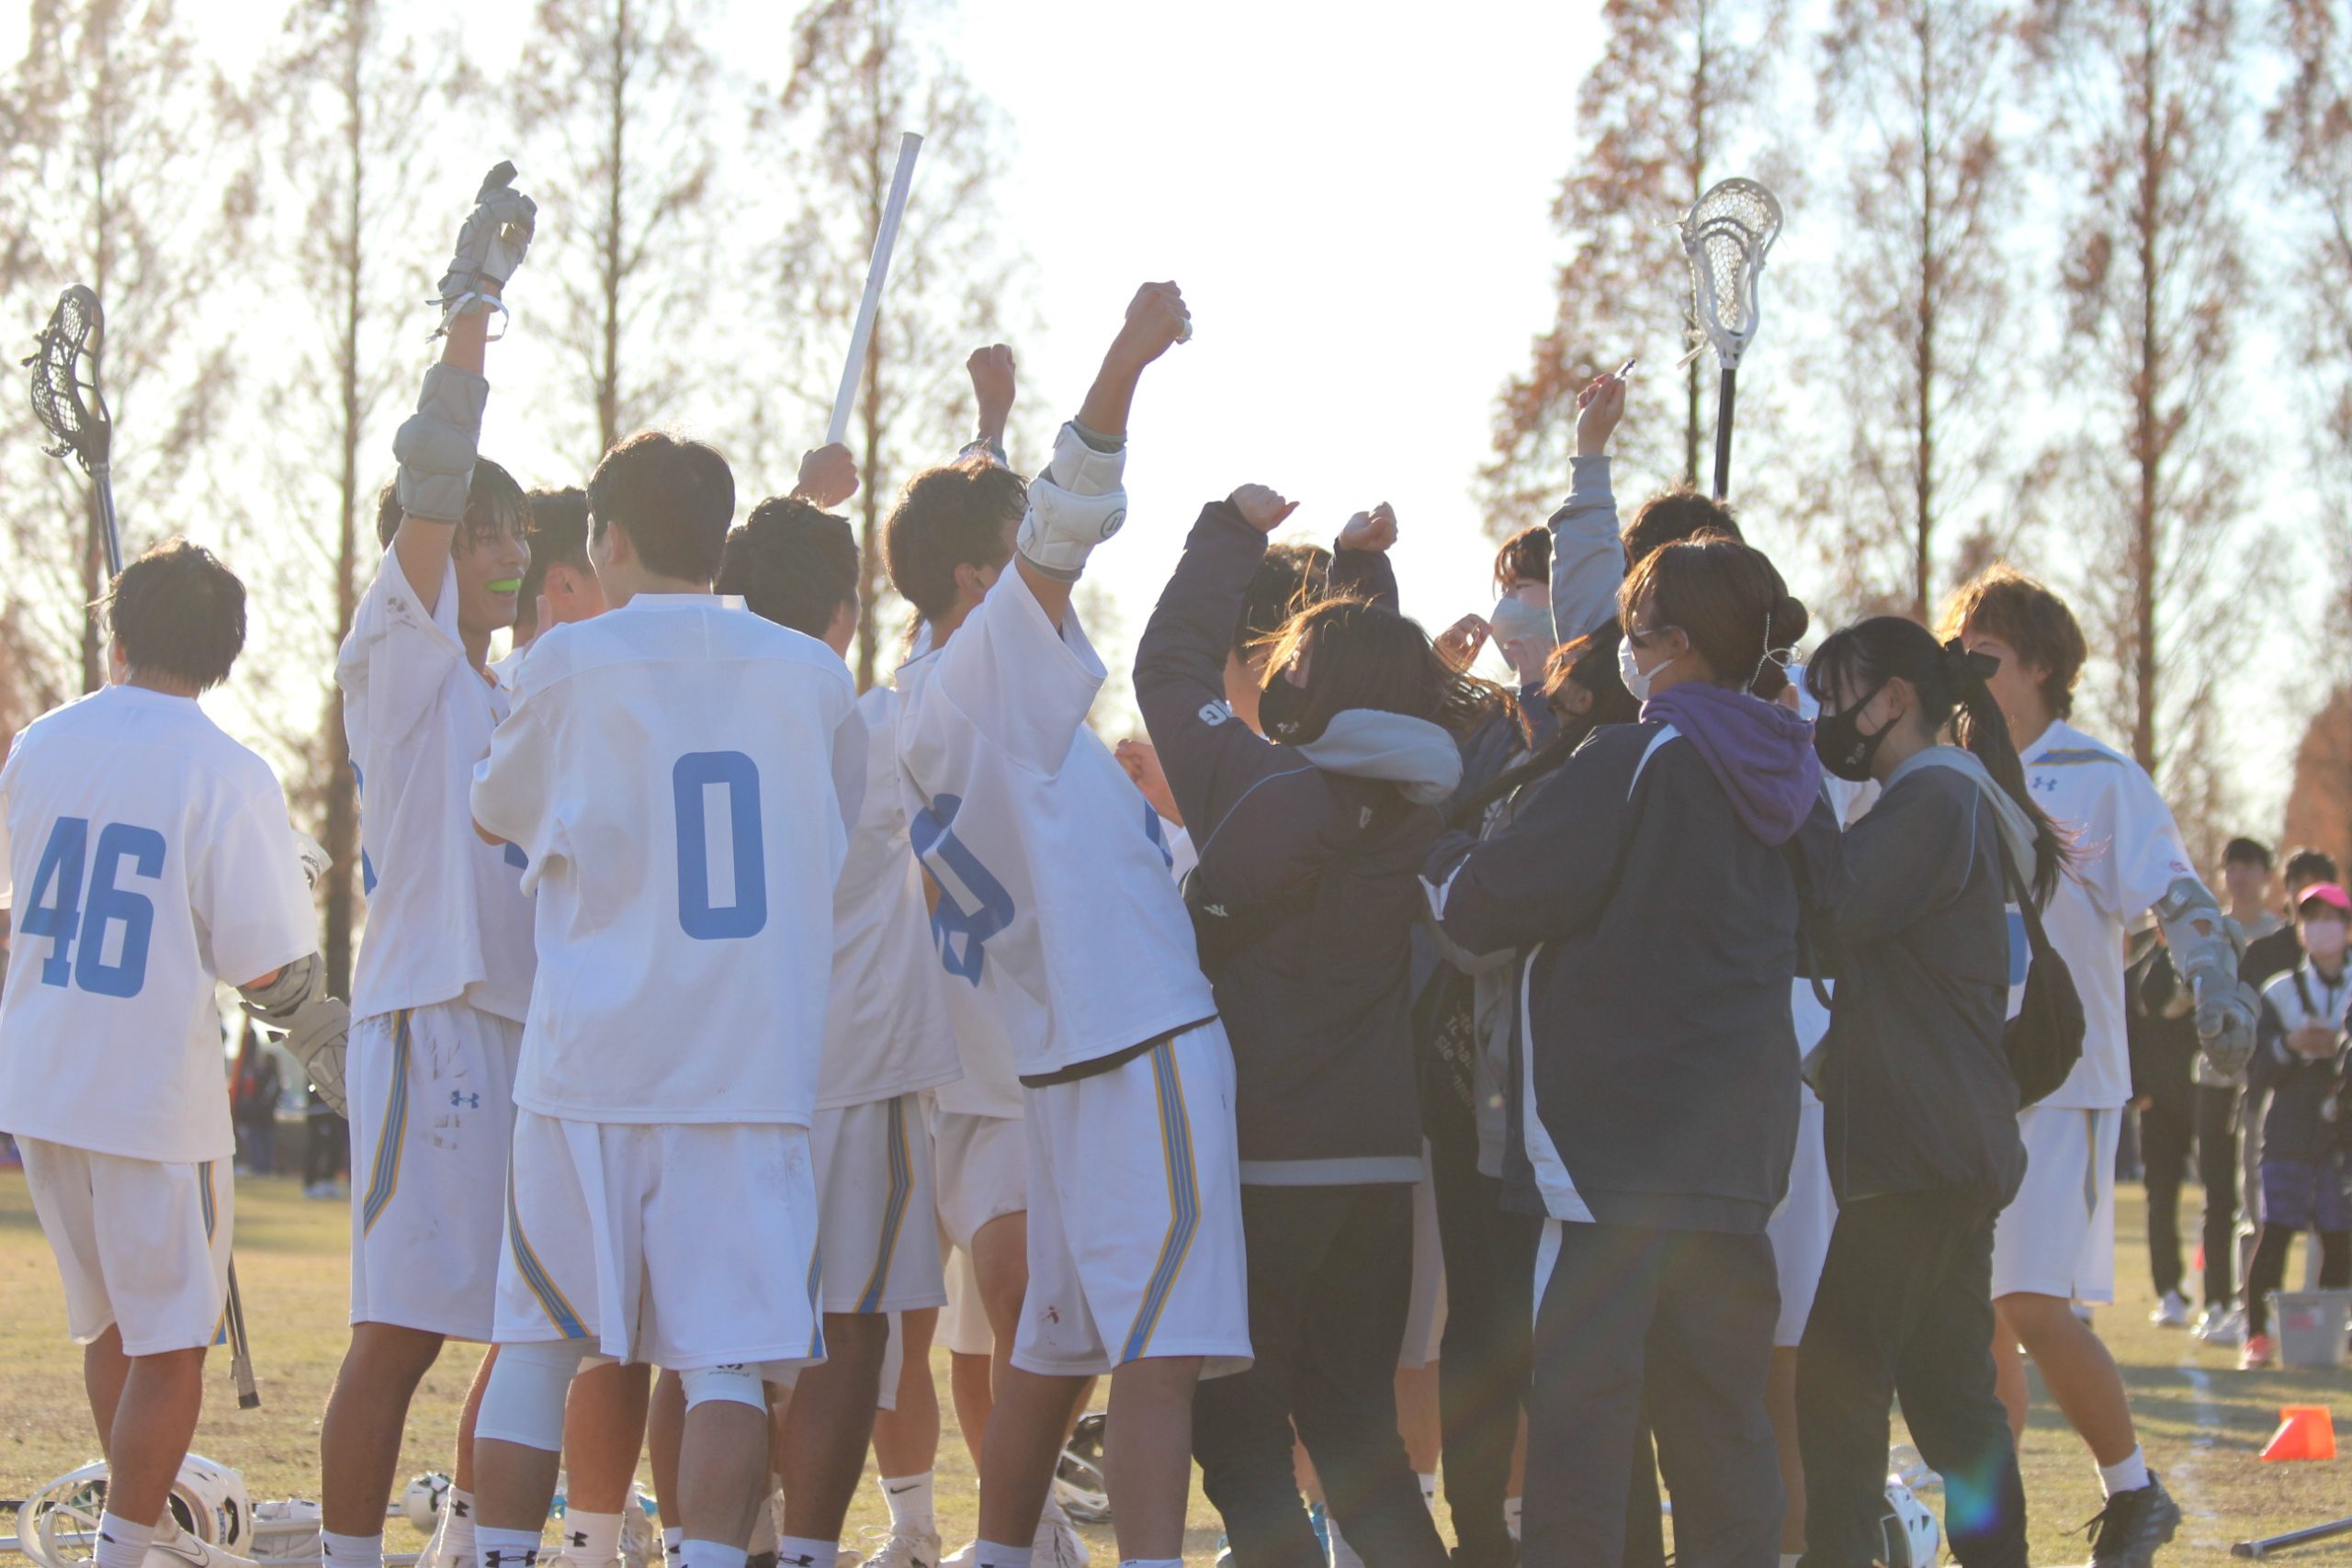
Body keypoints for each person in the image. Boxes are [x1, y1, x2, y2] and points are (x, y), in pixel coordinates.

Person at [889, 282, 1251, 1568]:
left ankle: (996, 1550)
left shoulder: (907, 701)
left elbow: (986, 534)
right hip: (1138, 1028)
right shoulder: (997, 658)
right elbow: (1062, 511)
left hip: (1057, 1050)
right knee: (1157, 1351)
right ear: (980, 580)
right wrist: (1123, 358)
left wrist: (982, 425)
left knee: (1051, 1342)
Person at [319, 169, 647, 1568]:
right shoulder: (398, 659)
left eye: (526, 537)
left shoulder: (529, 691)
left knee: (528, 1323)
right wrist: (474, 312)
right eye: (487, 532)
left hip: (541, 1032)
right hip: (432, 1011)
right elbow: (439, 473)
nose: (507, 554)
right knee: (396, 1328)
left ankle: (467, 1539)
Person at [466, 424, 865, 1568]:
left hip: (590, 1060)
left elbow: (495, 811)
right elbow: (823, 847)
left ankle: (500, 1553)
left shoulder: (566, 663)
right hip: (744, 1065)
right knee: (729, 1362)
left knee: (541, 1344)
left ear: (613, 540)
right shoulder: (814, 675)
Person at [1427, 535, 1833, 1568]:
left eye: (1637, 631)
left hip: (1607, 1154)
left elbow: (1483, 903)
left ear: (1677, 647)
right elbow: (1832, 924)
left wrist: (1435, 855)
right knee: (1721, 1428)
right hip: (1737, 1149)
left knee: (1582, 1430)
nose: (1623, 649)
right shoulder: (1796, 779)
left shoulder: (1634, 758)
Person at [1136, 479, 1478, 1568]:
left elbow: (1167, 669)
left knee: (1237, 1437)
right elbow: (1381, 674)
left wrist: (1228, 533)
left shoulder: (1250, 779)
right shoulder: (1433, 805)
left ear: (1301, 687)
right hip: (1380, 1165)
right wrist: (1357, 570)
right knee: (1354, 1428)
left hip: (1262, 1162)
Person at [0, 538, 327, 1568]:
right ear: (227, 651)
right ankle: (126, 1550)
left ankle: (129, 1532)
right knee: (173, 1340)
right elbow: (265, 967)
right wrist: (298, 885)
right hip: (149, 1095)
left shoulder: (40, 743)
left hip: (44, 1076)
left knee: (112, 1327)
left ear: (120, 632)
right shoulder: (228, 772)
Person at [1942, 565, 2260, 1567]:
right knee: (1972, 1316)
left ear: (2040, 663)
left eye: (1982, 649)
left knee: (2028, 1303)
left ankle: (2133, 1494)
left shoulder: (2099, 776)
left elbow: (2174, 890)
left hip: (2065, 1081)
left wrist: (2214, 980)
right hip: (1960, 1079)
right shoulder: (1942, 773)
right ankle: (1989, 1532)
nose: (1963, 665)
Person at [711, 488, 966, 1568]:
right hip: (852, 1062)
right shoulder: (877, 723)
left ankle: (729, 1540)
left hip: (718, 1062)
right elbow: (961, 637)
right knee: (850, 1325)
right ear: (846, 609)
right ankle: (805, 1545)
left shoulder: (702, 718)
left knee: (722, 1337)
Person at [879, 344, 1095, 1568]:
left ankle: (1025, 1530)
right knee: (951, 1324)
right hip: (930, 1054)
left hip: (1019, 1053)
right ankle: (990, 1526)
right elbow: (958, 546)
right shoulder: (922, 676)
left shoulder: (1011, 662)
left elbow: (992, 543)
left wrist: (997, 421)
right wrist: (990, 429)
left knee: (1014, 1295)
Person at [1794, 617, 2059, 1568]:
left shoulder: (1932, 799)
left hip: (1917, 1146)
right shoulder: (1957, 795)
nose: (1820, 719)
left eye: (1833, 696)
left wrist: (1785, 798)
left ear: (1892, 701)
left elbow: (1829, 913)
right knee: (1951, 1399)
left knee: (1837, 1374)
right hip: (1950, 1138)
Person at [2240, 882, 2352, 1369]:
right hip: (2286, 1128)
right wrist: (2292, 1046)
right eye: (2311, 917)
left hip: (2341, 1132)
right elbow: (2257, 1066)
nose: (2321, 927)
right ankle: (2257, 1336)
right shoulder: (2279, 991)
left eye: (2332, 917)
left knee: (2339, 1235)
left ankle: (2331, 1336)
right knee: (2276, 1230)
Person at [2129, 940, 2210, 1330]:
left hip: (2208, 1099)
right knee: (2161, 1200)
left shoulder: (2214, 961)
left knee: (2221, 1198)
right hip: (2158, 1106)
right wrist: (2137, 1089)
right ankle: (2169, 1291)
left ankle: (2222, 1295)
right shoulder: (2143, 968)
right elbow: (2130, 1021)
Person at [232, 1024, 282, 1177]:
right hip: (261, 1115)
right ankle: (261, 1167)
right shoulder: (267, 1076)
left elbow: (266, 1097)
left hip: (260, 1115)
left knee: (260, 1142)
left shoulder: (267, 1076)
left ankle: (261, 1167)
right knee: (260, 1142)